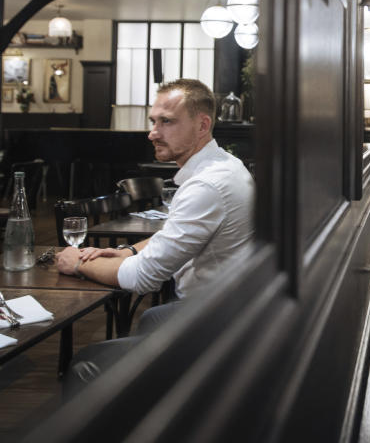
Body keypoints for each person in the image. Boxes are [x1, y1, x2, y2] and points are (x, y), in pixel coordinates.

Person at [56, 79, 254, 391]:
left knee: (85, 365)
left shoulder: (207, 185)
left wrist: (77, 262)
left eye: (167, 122)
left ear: (203, 125)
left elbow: (143, 279)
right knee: (152, 318)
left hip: (218, 320)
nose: (152, 133)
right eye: (153, 121)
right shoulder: (226, 166)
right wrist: (126, 252)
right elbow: (173, 235)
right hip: (232, 307)